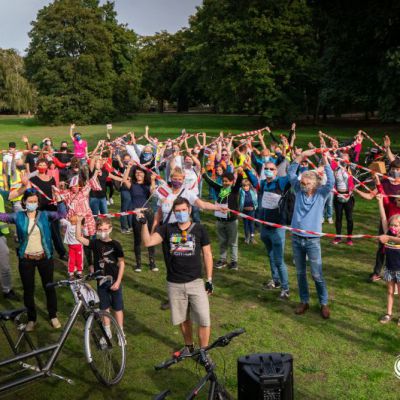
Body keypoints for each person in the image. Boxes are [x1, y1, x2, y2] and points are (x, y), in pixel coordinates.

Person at [140, 197, 213, 355]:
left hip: (196, 282)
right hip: (175, 284)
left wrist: (210, 280)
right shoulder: (166, 229)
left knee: (204, 319)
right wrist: (144, 224)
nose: (181, 213)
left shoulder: (200, 229)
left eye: (183, 210)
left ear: (189, 210)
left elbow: (207, 254)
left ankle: (203, 352)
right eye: (177, 211)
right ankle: (189, 346)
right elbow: (148, 242)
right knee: (183, 318)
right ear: (173, 212)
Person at [0, 187, 67, 331]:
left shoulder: (44, 215)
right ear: (24, 202)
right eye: (30, 201)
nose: (33, 204)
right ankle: (31, 319)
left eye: (35, 201)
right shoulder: (18, 216)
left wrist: (59, 199)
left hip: (45, 258)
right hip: (26, 260)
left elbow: (62, 213)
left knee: (49, 288)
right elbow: (2, 216)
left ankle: (53, 315)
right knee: (28, 290)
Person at [288, 149, 334, 319]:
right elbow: (291, 171)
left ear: (314, 184)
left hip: (312, 240)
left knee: (316, 274)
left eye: (306, 183)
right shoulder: (298, 191)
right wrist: (302, 156)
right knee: (300, 273)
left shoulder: (321, 194)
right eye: (302, 183)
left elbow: (331, 183)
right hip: (296, 238)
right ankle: (304, 301)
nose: (303, 185)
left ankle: (323, 303)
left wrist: (325, 161)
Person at [76, 216, 126, 344]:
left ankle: (120, 332)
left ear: (110, 229)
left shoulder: (116, 244)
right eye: (100, 229)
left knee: (118, 308)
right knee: (104, 308)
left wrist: (118, 281)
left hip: (115, 281)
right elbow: (79, 238)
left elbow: (121, 263)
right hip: (101, 282)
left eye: (105, 229)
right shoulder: (95, 243)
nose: (102, 232)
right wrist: (78, 222)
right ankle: (107, 332)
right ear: (96, 230)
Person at [246, 161, 290, 297]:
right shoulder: (264, 184)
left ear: (276, 171)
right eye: (266, 169)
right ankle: (275, 281)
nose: (268, 170)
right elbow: (255, 182)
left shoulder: (280, 183)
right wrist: (247, 170)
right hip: (265, 228)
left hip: (277, 228)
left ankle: (285, 288)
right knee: (271, 257)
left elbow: (292, 176)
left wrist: (298, 160)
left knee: (279, 260)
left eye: (272, 169)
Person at [202, 169, 243, 270]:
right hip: (220, 220)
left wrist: (241, 174)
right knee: (222, 241)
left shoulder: (234, 190)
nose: (225, 183)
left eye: (227, 181)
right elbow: (211, 183)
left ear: (231, 181)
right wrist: (204, 174)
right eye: (223, 181)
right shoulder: (220, 189)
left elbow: (238, 183)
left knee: (233, 242)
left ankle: (234, 262)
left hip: (231, 221)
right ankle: (222, 259)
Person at [122, 165, 157, 272]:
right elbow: (124, 180)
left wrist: (153, 180)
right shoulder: (132, 184)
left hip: (148, 212)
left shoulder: (147, 185)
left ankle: (152, 263)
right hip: (136, 213)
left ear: (144, 174)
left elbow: (153, 193)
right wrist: (128, 168)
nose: (139, 174)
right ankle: (138, 264)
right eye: (137, 173)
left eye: (140, 172)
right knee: (137, 239)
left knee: (150, 238)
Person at [30, 158, 67, 260]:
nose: (42, 167)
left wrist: (58, 195)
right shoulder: (33, 180)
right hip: (40, 210)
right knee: (44, 232)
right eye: (40, 165)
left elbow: (55, 193)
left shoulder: (51, 178)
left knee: (56, 233)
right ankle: (47, 252)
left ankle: (62, 252)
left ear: (47, 166)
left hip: (52, 209)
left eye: (44, 165)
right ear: (36, 166)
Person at [377, 194, 400, 324]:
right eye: (392, 225)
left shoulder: (393, 237)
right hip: (389, 268)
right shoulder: (388, 233)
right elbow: (383, 217)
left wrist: (388, 239)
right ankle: (388, 314)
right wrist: (380, 202)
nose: (393, 227)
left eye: (396, 225)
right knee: (390, 291)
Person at [60, 215, 84, 280]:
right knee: (75, 260)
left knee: (75, 259)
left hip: (75, 246)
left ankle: (75, 272)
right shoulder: (73, 225)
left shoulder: (73, 226)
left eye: (72, 221)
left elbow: (62, 220)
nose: (70, 221)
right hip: (75, 246)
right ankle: (75, 272)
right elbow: (62, 219)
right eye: (71, 221)